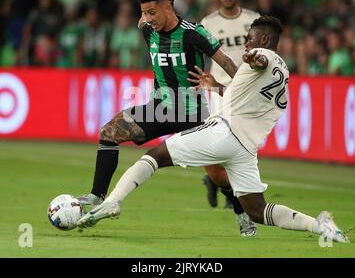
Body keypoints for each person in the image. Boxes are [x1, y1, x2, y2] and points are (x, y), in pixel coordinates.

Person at [77, 16, 349, 245]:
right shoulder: (284, 73)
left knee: (155, 155)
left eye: (250, 38)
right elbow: (243, 96)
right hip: (244, 149)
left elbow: (259, 59)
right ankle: (320, 225)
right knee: (257, 210)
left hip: (224, 132)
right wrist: (216, 86)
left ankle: (112, 201)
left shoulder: (263, 56)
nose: (247, 43)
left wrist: (253, 57)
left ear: (264, 41)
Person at [77, 0, 256, 236]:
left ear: (168, 7)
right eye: (144, 13)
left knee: (217, 174)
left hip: (192, 115)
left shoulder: (195, 34)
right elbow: (144, 22)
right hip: (159, 109)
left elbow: (226, 62)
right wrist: (145, 16)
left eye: (152, 12)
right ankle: (97, 196)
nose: (148, 19)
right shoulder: (147, 30)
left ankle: (242, 212)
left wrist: (235, 91)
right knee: (109, 131)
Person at [200, 0, 259, 212]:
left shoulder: (254, 20)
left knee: (244, 143)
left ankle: (218, 181)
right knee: (221, 141)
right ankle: (222, 183)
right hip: (218, 89)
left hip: (246, 89)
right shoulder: (208, 23)